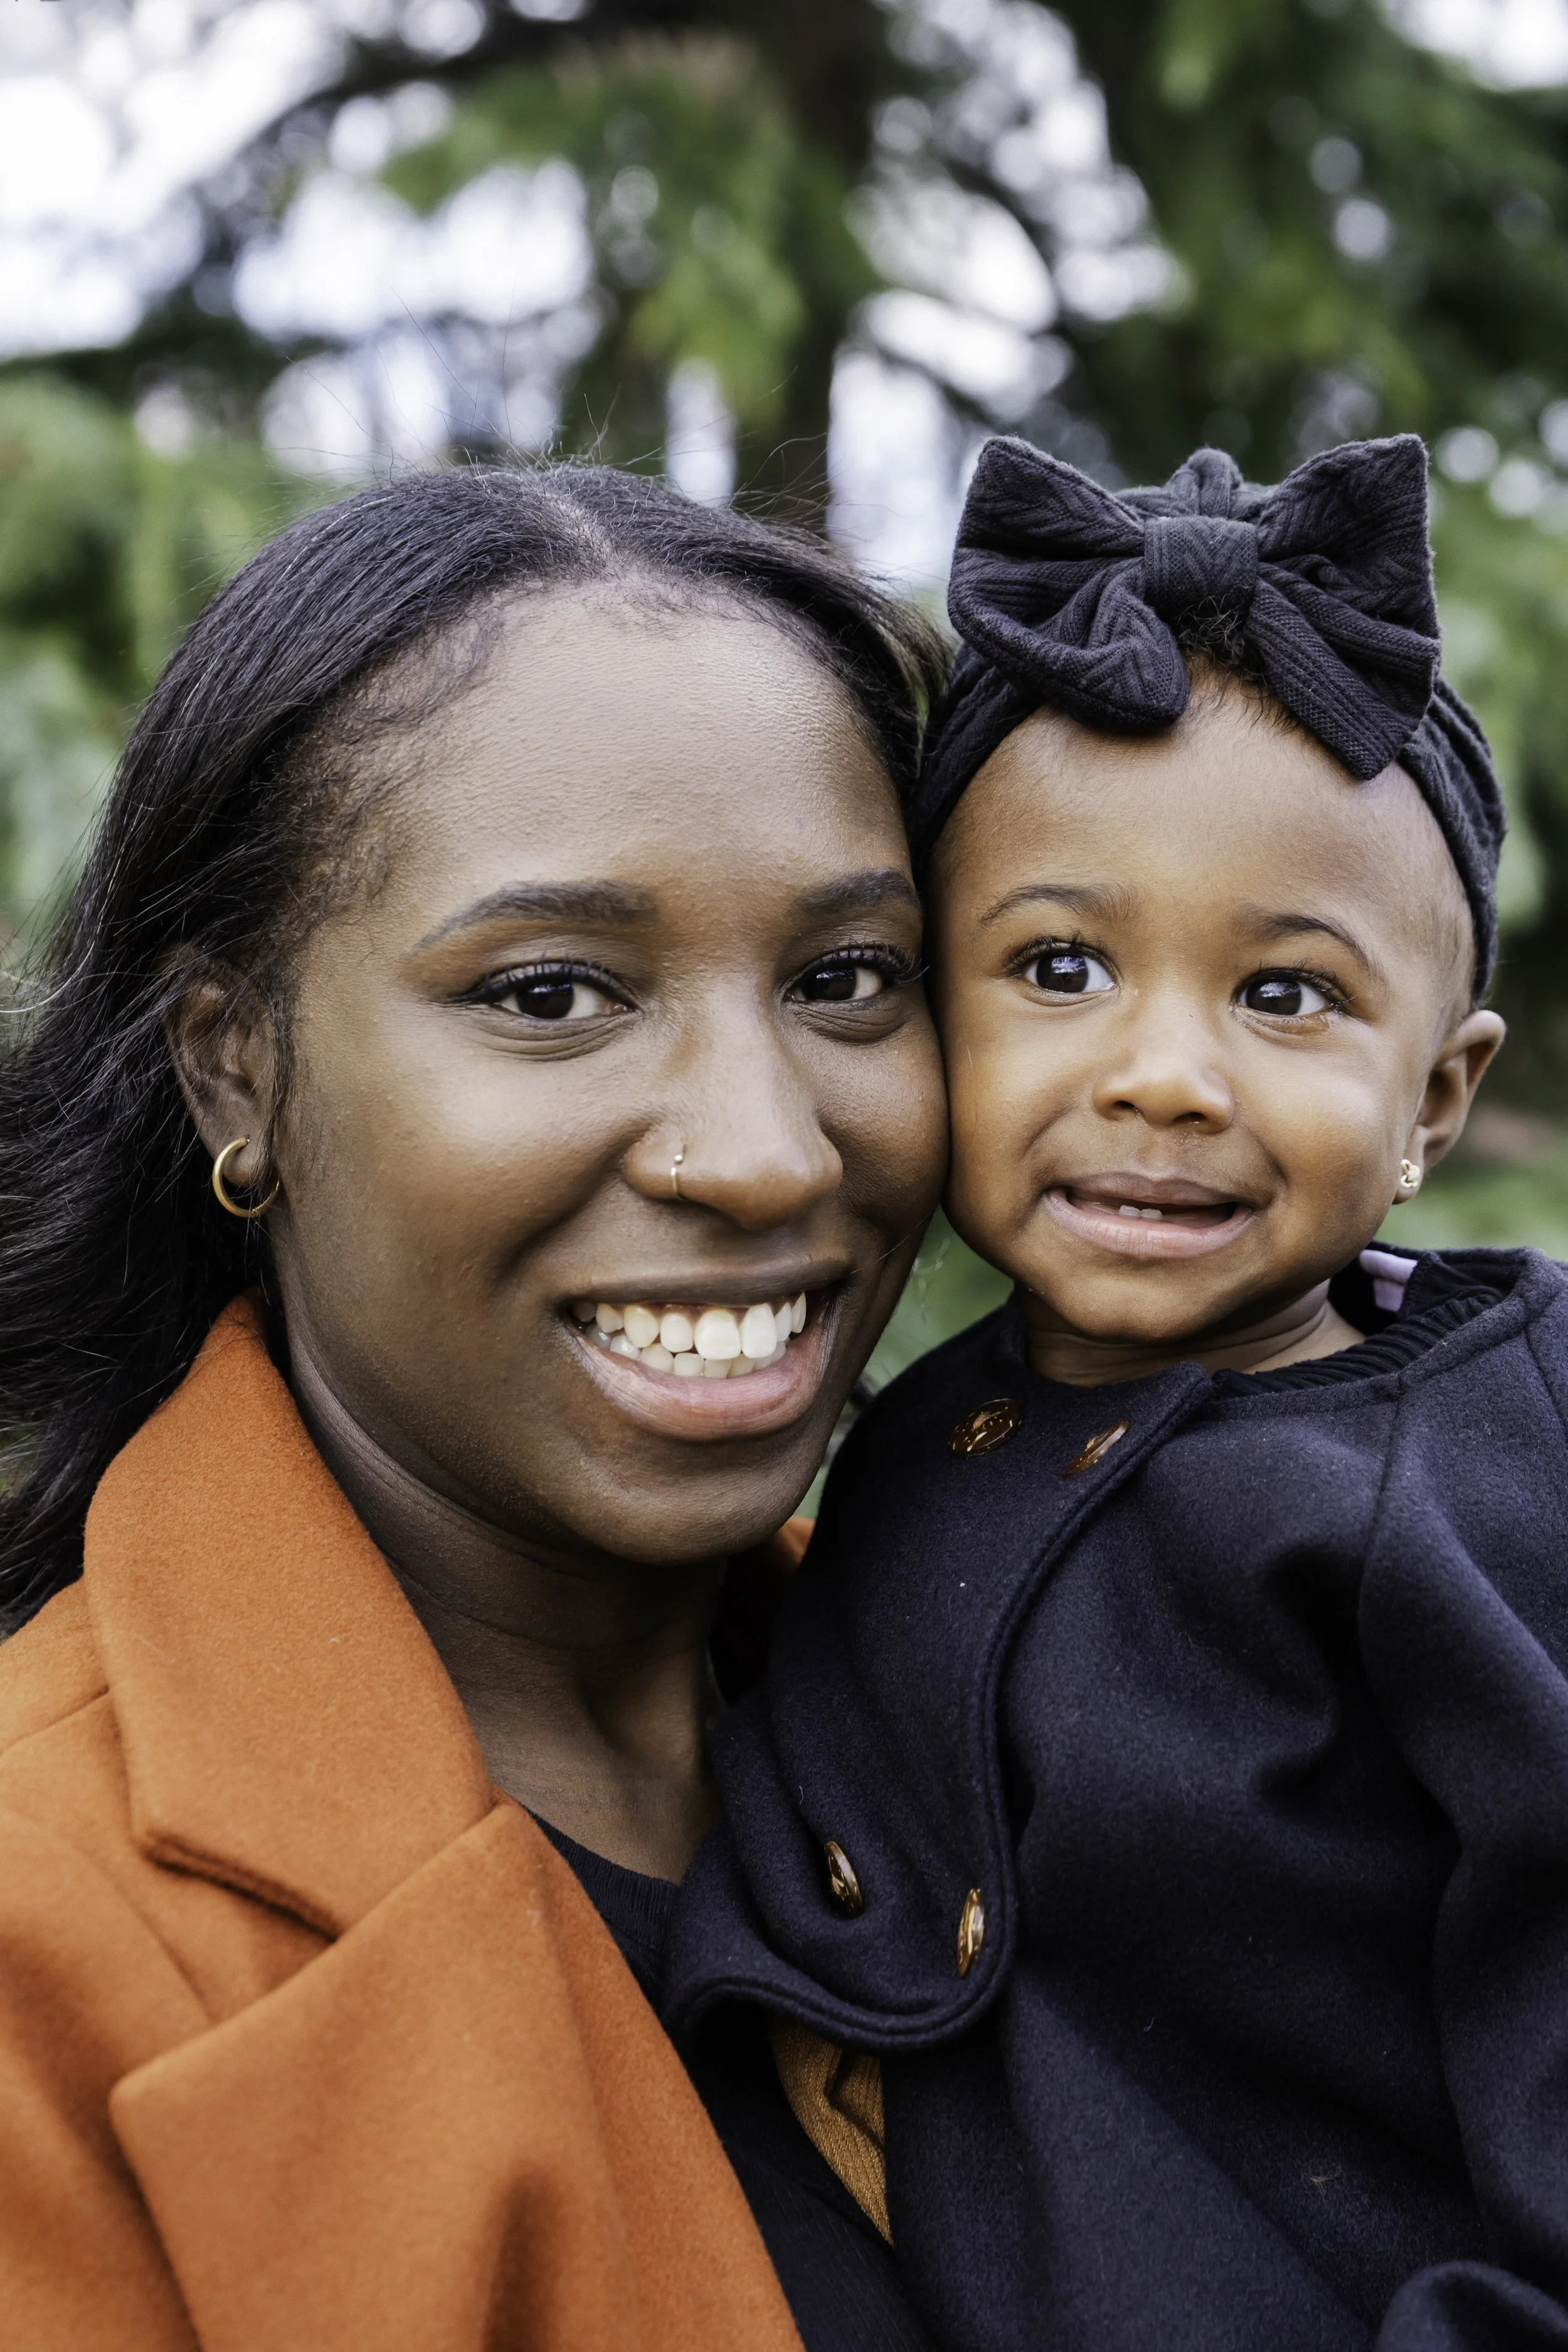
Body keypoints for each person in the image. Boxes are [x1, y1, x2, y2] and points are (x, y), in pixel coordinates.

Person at [0, 462, 950, 2349]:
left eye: (848, 979)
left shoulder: (1024, 1710)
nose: (762, 1151)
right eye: (550, 993)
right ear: (234, 1077)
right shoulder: (48, 1928)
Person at [665, 434, 1568, 2351]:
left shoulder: (1481, 1474)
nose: (1163, 1072)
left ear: (1432, 1099)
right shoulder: (901, 1430)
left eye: (1287, 994)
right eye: (1058, 964)